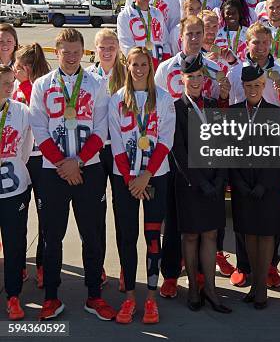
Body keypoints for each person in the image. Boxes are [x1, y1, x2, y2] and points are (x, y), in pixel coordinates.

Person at [29, 28, 115, 321]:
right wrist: (63, 164)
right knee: (52, 237)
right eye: (66, 52)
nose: (71, 57)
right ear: (57, 52)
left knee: (92, 235)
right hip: (53, 172)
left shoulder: (95, 84)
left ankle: (94, 295)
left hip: (88, 170)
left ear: (84, 51)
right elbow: (39, 129)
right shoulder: (42, 85)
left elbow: (101, 129)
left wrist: (77, 162)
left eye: (77, 52)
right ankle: (51, 297)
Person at [109, 47, 175, 324]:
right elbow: (116, 143)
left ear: (151, 66)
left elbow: (165, 141)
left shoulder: (162, 98)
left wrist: (146, 175)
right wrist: (131, 180)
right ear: (127, 66)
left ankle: (150, 297)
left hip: (154, 176)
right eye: (134, 64)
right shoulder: (116, 101)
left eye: (143, 64)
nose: (138, 69)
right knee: (126, 237)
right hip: (125, 178)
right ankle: (129, 298)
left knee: (151, 239)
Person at [173, 53, 231, 313]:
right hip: (190, 185)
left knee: (210, 235)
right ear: (182, 78)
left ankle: (211, 288)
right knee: (190, 236)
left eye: (199, 77)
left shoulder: (212, 106)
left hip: (213, 183)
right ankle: (193, 291)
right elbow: (179, 152)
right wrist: (199, 183)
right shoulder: (176, 109)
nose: (195, 81)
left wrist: (219, 179)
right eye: (191, 77)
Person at [229, 64, 280, 309]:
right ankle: (254, 284)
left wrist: (264, 184)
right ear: (243, 86)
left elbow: (279, 154)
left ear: (264, 86)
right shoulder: (233, 112)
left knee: (266, 233)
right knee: (248, 232)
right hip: (243, 185)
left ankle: (262, 287)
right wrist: (238, 182)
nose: (253, 90)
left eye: (257, 86)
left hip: (267, 187)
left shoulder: (275, 113)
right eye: (248, 86)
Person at [87, 29, 126, 290]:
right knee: (95, 212)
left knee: (123, 212)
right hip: (97, 151)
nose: (108, 50)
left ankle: (126, 266)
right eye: (103, 46)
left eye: (112, 45)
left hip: (121, 149)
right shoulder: (88, 77)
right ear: (96, 49)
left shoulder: (128, 74)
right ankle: (97, 265)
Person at [13, 43, 51, 289]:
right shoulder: (13, 86)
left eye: (17, 66)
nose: (14, 70)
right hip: (21, 161)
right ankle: (21, 266)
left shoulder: (42, 88)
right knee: (19, 217)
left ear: (26, 68)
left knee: (45, 217)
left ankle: (42, 265)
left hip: (40, 159)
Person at [0, 65, 32, 320]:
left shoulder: (21, 110)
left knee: (14, 243)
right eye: (3, 83)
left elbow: (26, 149)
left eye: (11, 82)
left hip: (14, 189)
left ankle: (14, 296)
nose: (9, 87)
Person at [227, 23, 280, 108]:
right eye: (256, 42)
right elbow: (229, 106)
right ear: (247, 44)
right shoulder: (234, 73)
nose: (261, 46)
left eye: (265, 42)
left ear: (270, 43)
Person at [117, 0, 169, 67]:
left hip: (159, 65)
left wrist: (164, 62)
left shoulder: (157, 13)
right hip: (139, 67)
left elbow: (165, 40)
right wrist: (143, 63)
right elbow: (126, 45)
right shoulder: (125, 16)